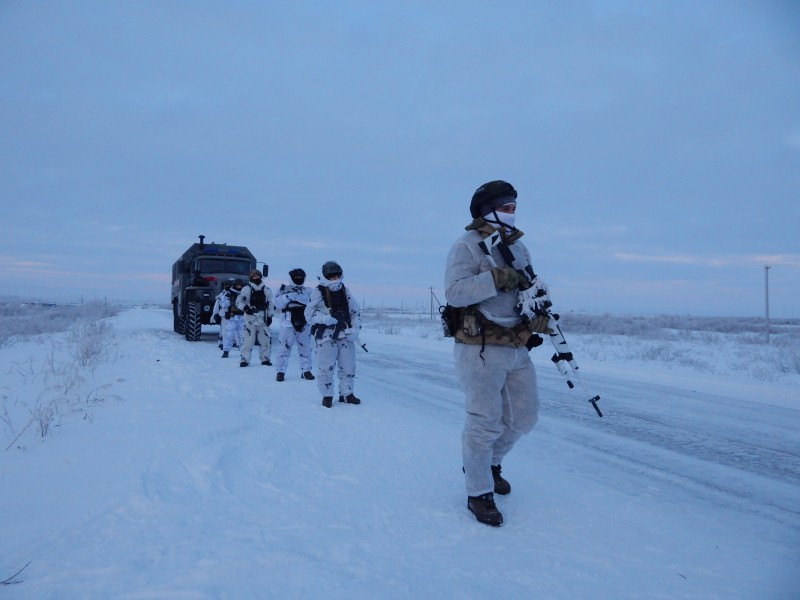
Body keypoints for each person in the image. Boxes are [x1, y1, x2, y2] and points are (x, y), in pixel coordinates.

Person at [444, 180, 550, 527]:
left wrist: (537, 313)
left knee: (525, 416)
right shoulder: (467, 246)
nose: (512, 210)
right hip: (480, 348)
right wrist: (495, 279)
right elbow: (455, 293)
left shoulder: (518, 247)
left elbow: (528, 286)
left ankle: (489, 463)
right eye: (505, 205)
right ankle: (478, 492)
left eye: (514, 205)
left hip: (517, 345)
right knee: (483, 421)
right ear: (485, 208)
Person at [305, 261, 362, 408]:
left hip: (345, 334)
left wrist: (355, 329)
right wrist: (324, 319)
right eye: (331, 276)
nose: (335, 278)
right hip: (326, 335)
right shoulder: (318, 292)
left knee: (348, 366)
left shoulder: (345, 290)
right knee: (326, 367)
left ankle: (347, 394)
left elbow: (354, 312)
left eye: (337, 275)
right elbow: (309, 313)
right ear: (325, 276)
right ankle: (327, 395)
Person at [273, 268, 315, 382]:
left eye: (301, 277)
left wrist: (295, 297)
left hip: (305, 321)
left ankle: (306, 370)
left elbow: (313, 302)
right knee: (284, 347)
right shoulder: (283, 289)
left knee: (305, 347)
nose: (298, 279)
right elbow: (277, 303)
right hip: (288, 323)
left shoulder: (309, 290)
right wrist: (287, 297)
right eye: (296, 277)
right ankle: (280, 371)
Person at [236, 269, 274, 367]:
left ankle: (265, 358)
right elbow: (239, 302)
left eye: (258, 275)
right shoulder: (245, 289)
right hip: (250, 317)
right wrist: (245, 308)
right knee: (248, 339)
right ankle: (244, 359)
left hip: (262, 317)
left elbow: (270, 304)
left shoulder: (267, 290)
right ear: (251, 277)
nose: (256, 276)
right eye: (254, 275)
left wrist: (270, 316)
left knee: (265, 339)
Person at [221, 278, 245, 358]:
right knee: (229, 334)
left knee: (243, 336)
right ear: (234, 285)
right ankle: (226, 351)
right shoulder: (228, 293)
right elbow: (223, 304)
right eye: (237, 285)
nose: (239, 286)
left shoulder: (245, 293)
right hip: (232, 317)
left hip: (242, 317)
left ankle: (243, 352)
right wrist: (229, 301)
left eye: (240, 285)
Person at [211, 278, 234, 350]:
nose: (228, 287)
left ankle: (233, 342)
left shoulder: (234, 294)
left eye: (229, 285)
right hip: (223, 315)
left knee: (233, 329)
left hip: (233, 315)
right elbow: (216, 306)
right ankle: (222, 343)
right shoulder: (221, 295)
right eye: (226, 285)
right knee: (223, 330)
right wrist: (214, 315)